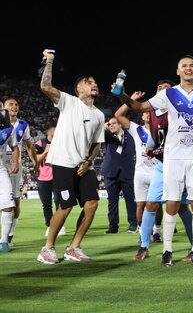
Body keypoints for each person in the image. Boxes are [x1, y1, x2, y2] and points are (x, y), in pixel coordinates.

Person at [115, 57, 193, 266]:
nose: (188, 68)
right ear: (178, 71)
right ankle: (167, 250)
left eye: (191, 65)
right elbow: (139, 107)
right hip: (172, 156)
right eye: (184, 65)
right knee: (172, 203)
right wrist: (124, 95)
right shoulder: (167, 94)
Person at [37, 49, 105, 264]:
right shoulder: (69, 102)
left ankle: (74, 247)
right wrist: (49, 61)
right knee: (65, 207)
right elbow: (45, 86)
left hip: (83, 165)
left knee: (92, 203)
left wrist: (89, 161)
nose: (93, 84)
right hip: (63, 162)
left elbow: (96, 143)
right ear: (79, 89)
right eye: (88, 82)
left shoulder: (100, 114)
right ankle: (47, 248)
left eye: (94, 82)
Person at [129, 80, 193, 261]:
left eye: (167, 88)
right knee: (150, 204)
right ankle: (144, 246)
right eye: (159, 88)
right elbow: (155, 135)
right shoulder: (152, 112)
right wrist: (150, 147)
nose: (162, 90)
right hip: (160, 165)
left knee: (182, 208)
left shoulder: (180, 111)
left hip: (178, 165)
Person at [113, 93, 159, 238]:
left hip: (157, 171)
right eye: (146, 113)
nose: (148, 115)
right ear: (142, 116)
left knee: (157, 205)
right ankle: (142, 231)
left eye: (151, 112)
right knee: (140, 204)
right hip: (140, 173)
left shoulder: (161, 130)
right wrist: (131, 100)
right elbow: (118, 114)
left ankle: (157, 231)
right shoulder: (136, 129)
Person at [2, 97, 39, 247]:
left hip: (14, 165)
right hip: (1, 162)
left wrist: (35, 163)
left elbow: (29, 146)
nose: (14, 106)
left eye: (16, 104)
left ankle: (9, 235)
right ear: (4, 107)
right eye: (11, 104)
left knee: (15, 200)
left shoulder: (23, 125)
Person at [101, 116, 137, 234]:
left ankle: (133, 224)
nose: (111, 125)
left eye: (114, 123)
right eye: (109, 124)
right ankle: (113, 227)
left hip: (127, 172)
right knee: (112, 201)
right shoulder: (108, 136)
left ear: (120, 124)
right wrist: (104, 126)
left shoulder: (130, 136)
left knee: (130, 200)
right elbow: (99, 131)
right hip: (111, 173)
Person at [34, 125, 66, 236]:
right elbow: (36, 159)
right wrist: (46, 152)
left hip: (58, 177)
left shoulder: (60, 144)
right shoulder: (39, 144)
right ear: (51, 131)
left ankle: (60, 226)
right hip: (43, 178)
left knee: (59, 202)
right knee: (46, 204)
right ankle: (50, 226)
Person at [0, 120, 19, 252]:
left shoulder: (8, 129)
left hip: (1, 169)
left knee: (8, 205)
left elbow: (15, 147)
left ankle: (4, 241)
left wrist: (15, 162)